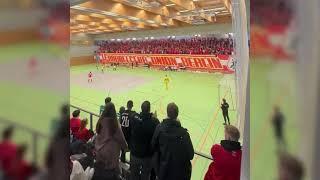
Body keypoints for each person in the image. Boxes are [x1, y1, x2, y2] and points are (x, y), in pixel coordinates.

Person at [151, 103, 194, 180]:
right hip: (180, 175)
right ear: (177, 115)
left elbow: (153, 147)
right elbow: (191, 155)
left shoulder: (159, 129)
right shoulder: (184, 134)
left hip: (163, 173)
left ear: (167, 113)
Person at [94, 102, 128, 180]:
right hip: (110, 156)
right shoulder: (114, 124)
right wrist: (126, 147)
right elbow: (121, 139)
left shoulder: (100, 121)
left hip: (99, 152)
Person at [130, 101, 160, 180]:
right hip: (146, 156)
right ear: (149, 109)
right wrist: (155, 117)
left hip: (134, 153)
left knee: (133, 175)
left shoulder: (134, 117)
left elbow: (134, 116)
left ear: (141, 108)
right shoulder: (154, 122)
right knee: (145, 176)